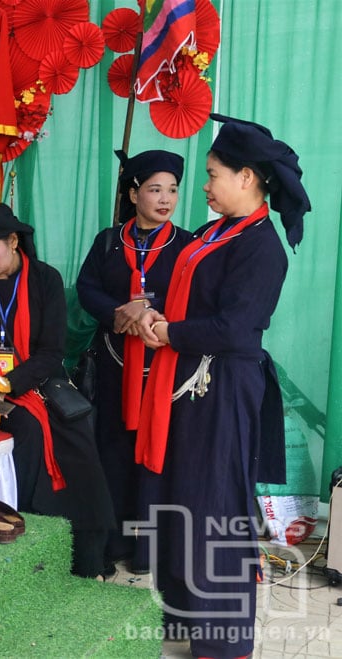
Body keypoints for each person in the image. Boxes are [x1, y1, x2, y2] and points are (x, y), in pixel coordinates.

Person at [134, 114, 310, 658]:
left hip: (224, 388)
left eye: (213, 175)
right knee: (185, 499)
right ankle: (188, 616)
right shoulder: (217, 231)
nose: (204, 187)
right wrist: (154, 313)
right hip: (190, 385)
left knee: (216, 509)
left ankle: (224, 642)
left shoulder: (261, 247)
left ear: (248, 178)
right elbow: (195, 299)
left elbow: (237, 328)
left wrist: (168, 332)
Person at [0, 203, 115, 578]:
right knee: (28, 432)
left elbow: (52, 353)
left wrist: (10, 382)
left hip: (37, 380)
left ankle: (87, 556)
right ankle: (30, 540)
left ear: (14, 241)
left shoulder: (45, 280)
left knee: (78, 440)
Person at [75, 150, 193, 575]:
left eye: (173, 190)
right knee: (114, 450)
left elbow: (195, 299)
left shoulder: (187, 245)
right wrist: (117, 312)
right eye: (155, 189)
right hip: (114, 364)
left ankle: (152, 550)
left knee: (160, 450)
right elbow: (87, 288)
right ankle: (114, 542)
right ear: (133, 192)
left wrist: (146, 308)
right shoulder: (108, 241)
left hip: (166, 369)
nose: (166, 199)